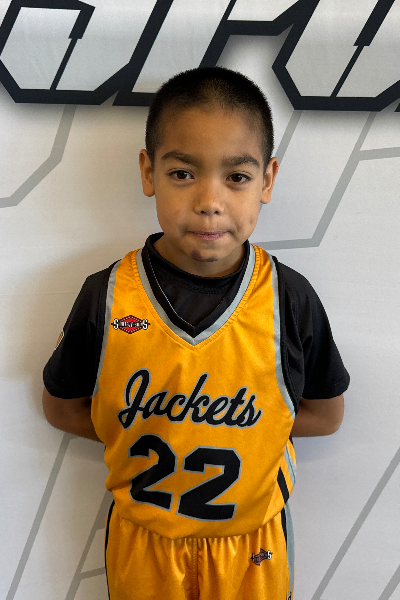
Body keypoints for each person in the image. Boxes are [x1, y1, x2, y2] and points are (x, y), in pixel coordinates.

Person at [42, 67, 349, 600]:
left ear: (267, 180)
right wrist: (156, 430)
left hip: (251, 548)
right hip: (145, 544)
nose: (210, 200)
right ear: (149, 172)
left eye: (237, 177)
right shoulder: (108, 295)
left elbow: (326, 414)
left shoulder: (289, 299)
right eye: (183, 173)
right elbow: (61, 407)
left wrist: (245, 436)